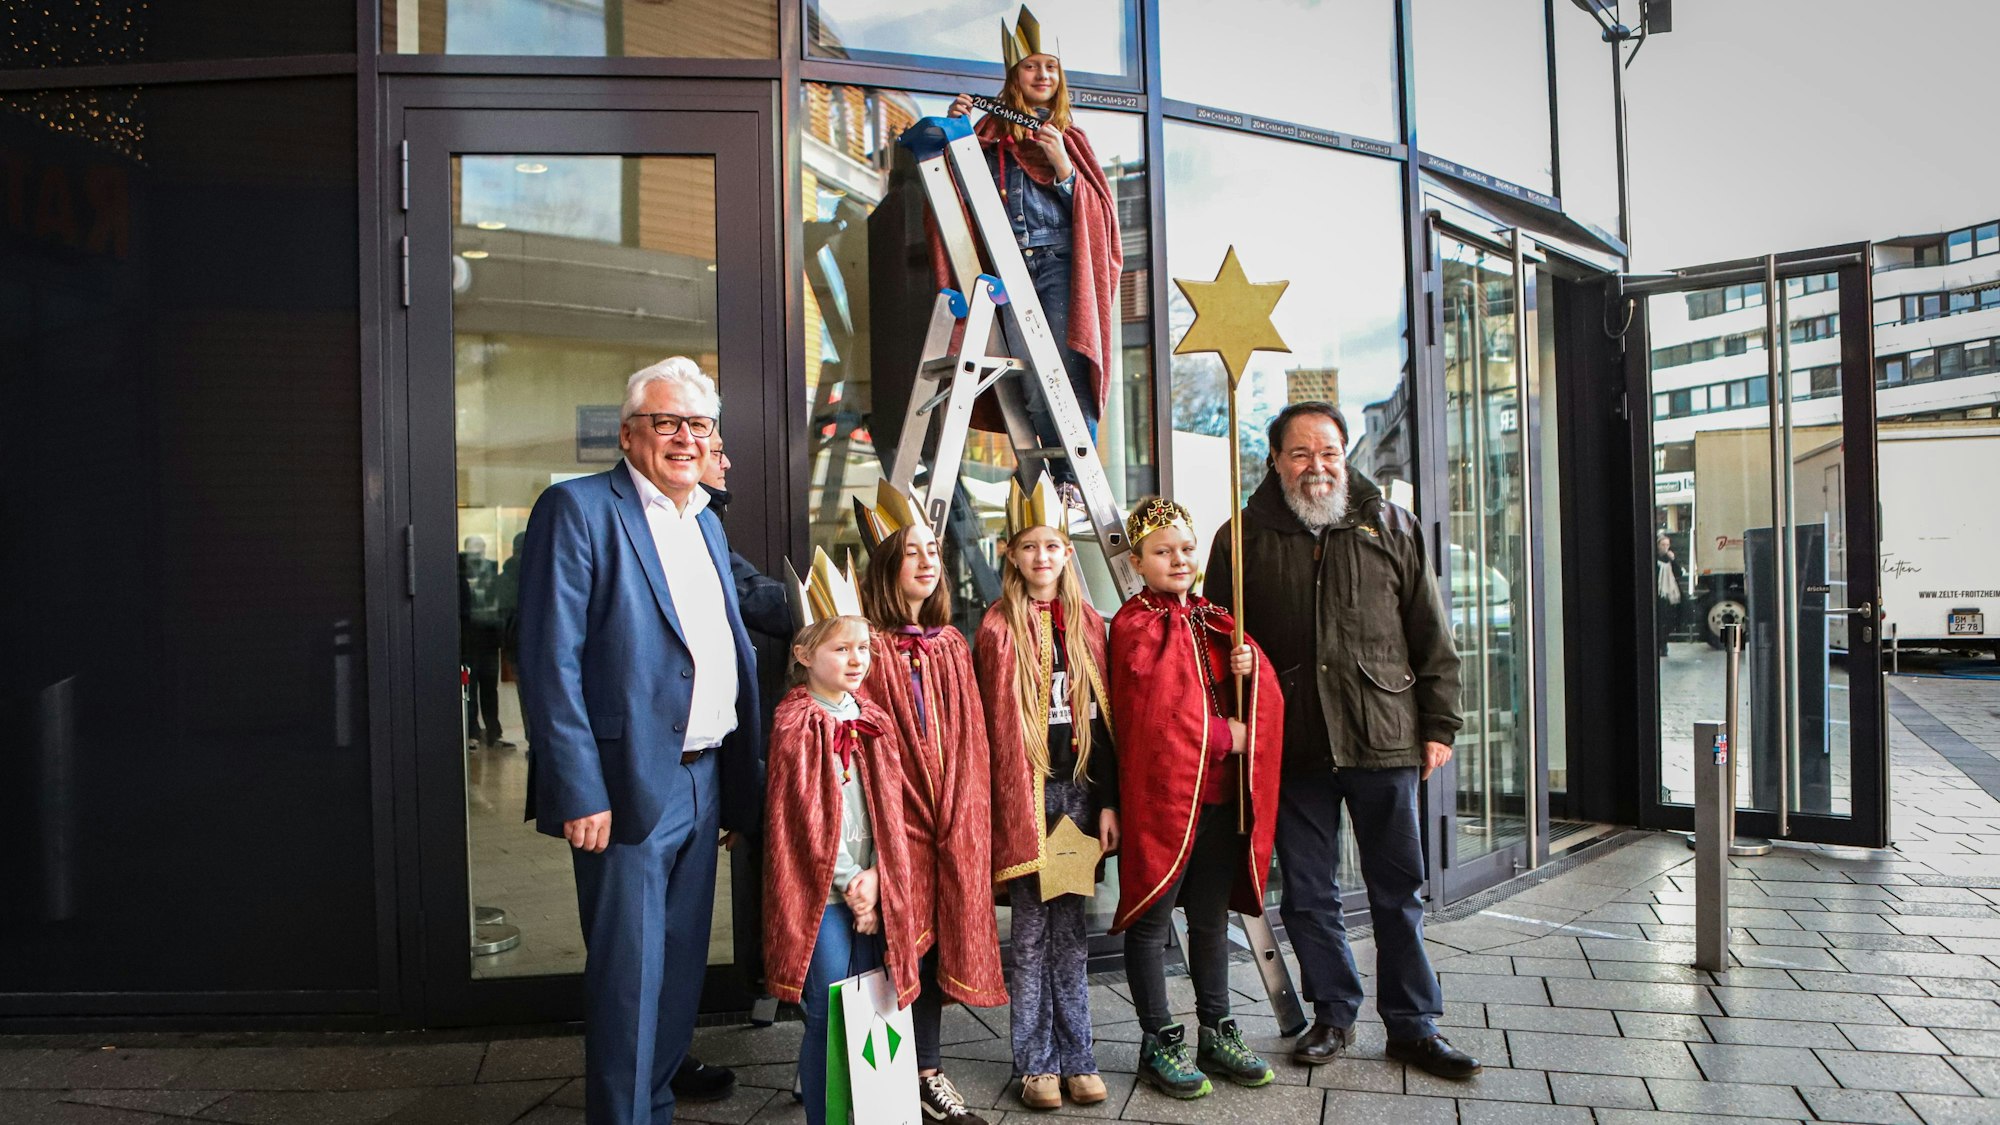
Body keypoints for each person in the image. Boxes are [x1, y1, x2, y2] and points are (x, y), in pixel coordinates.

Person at [517, 357, 765, 1125]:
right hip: (623, 784)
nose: (685, 438)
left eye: (698, 424)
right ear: (629, 434)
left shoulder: (708, 522)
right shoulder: (578, 508)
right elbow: (548, 659)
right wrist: (578, 786)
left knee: (682, 962)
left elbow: (726, 637)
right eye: (667, 422)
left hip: (703, 778)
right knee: (630, 972)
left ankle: (654, 1097)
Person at [1203, 401, 1478, 1080]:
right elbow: (1212, 643)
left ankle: (1414, 1025)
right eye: (1299, 454)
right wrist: (1234, 689)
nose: (1316, 466)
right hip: (1291, 742)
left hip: (1383, 733)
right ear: (1274, 462)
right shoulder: (1241, 539)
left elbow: (1431, 635)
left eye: (1327, 451)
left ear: (1345, 454)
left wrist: (1439, 724)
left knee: (1398, 887)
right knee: (1307, 893)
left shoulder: (1390, 525)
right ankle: (1334, 1011)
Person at [1108, 496, 1282, 1100]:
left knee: (1211, 920)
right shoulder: (1134, 624)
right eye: (1163, 552)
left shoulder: (1214, 617)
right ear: (1138, 561)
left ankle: (1217, 1027)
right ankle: (1158, 1037)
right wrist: (1222, 734)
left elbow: (1259, 693)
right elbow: (1156, 715)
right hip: (1165, 803)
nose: (1178, 559)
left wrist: (1248, 666)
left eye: (1186, 548)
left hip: (1219, 800)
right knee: (1153, 923)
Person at [854, 484, 1006, 1124]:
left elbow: (971, 736)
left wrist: (963, 816)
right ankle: (865, 1072)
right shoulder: (866, 645)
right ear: (885, 566)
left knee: (938, 945)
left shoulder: (949, 644)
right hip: (893, 824)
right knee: (891, 947)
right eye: (909, 552)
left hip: (950, 821)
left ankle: (929, 1070)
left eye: (933, 551)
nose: (925, 562)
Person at [972, 474, 1116, 1111]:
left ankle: (1078, 1054)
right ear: (1011, 553)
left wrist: (1108, 800)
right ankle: (1035, 1064)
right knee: (1029, 934)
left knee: (1071, 930)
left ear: (1067, 552)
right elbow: (987, 729)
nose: (1042, 558)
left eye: (1053, 546)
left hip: (1076, 799)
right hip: (1025, 800)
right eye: (1030, 546)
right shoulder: (997, 629)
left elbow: (1108, 724)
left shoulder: (1087, 624)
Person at [763, 558, 922, 1125]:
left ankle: (872, 1108)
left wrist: (878, 877)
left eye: (864, 649)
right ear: (805, 655)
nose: (857, 660)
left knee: (872, 999)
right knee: (829, 1010)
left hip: (872, 884)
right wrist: (850, 883)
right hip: (823, 895)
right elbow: (803, 820)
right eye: (841, 649)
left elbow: (888, 809)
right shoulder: (796, 721)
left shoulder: (872, 715)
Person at [942, 5, 1121, 476]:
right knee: (1031, 378)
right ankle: (1055, 482)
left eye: (1051, 66)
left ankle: (1075, 481)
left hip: (1060, 266)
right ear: (1013, 75)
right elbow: (959, 196)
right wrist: (956, 130)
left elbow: (1098, 218)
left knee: (1065, 369)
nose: (1042, 74)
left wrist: (1061, 163)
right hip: (1009, 270)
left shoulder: (1068, 137)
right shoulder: (989, 133)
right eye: (1031, 65)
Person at [461, 535, 509, 749]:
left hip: (488, 640)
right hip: (468, 641)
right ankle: (472, 732)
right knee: (469, 689)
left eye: (481, 551)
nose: (478, 556)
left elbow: (498, 606)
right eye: (474, 551)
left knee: (490, 689)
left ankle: (493, 733)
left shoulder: (492, 576)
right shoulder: (459, 576)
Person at [1656, 533, 1685, 657]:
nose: (1665, 547)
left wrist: (1673, 560)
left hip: (1670, 592)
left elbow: (1679, 572)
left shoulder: (1670, 559)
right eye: (1663, 545)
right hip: (1658, 592)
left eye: (1667, 545)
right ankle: (1661, 645)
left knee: (1668, 620)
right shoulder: (1655, 558)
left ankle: (1663, 643)